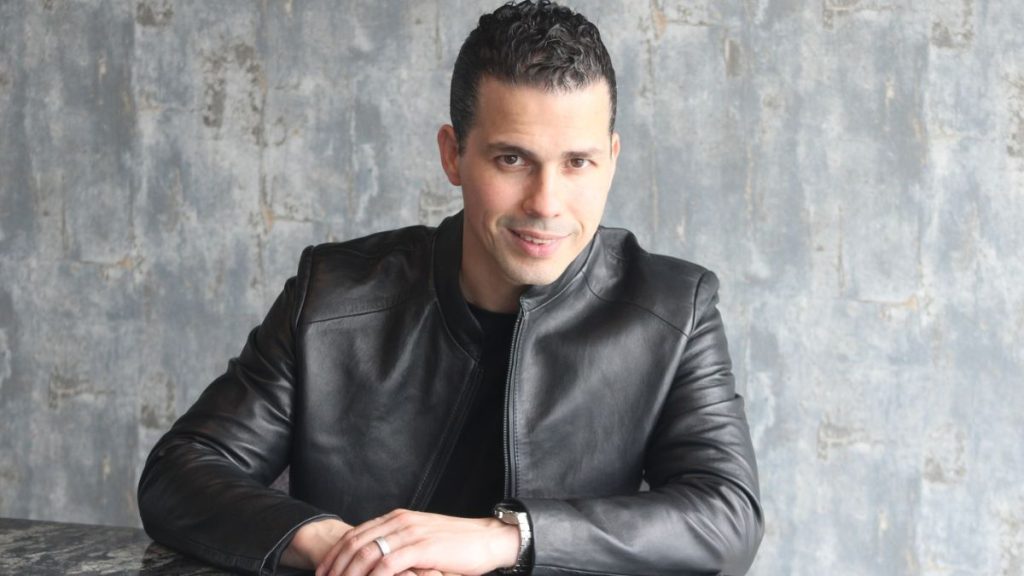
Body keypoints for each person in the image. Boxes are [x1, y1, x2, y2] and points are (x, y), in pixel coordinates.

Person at [137, 2, 764, 575]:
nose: (546, 203)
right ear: (452, 154)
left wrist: (507, 537)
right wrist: (344, 547)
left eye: (578, 162)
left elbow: (727, 514)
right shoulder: (332, 296)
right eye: (512, 159)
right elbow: (181, 471)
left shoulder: (674, 309)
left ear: (611, 159)